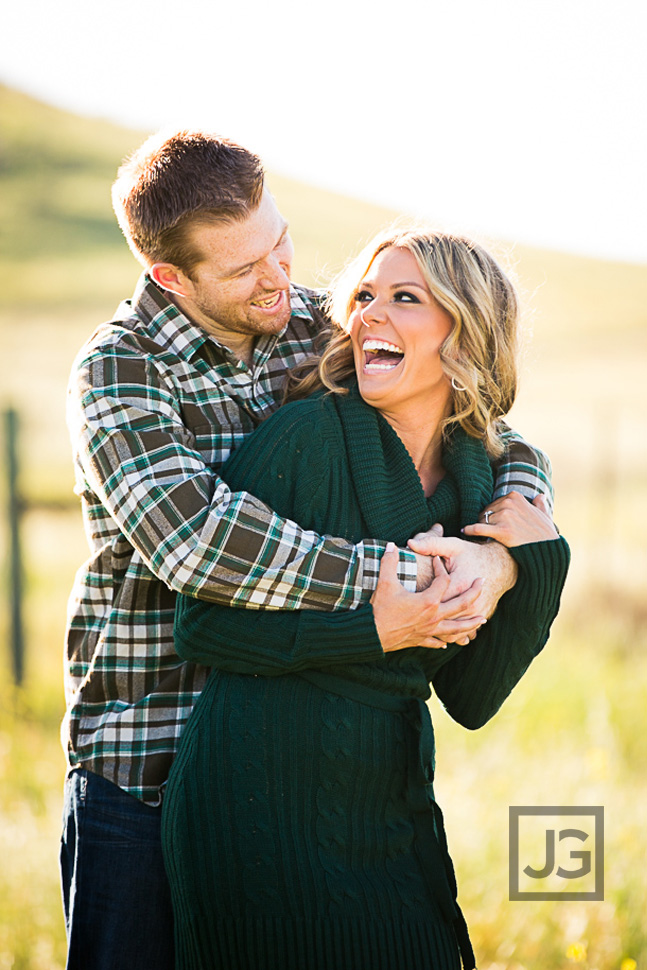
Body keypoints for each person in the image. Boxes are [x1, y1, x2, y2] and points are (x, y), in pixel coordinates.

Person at [61, 130, 554, 970]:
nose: (280, 278)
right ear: (170, 278)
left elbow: (478, 422)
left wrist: (504, 549)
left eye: (279, 241)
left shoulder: (310, 324)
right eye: (244, 267)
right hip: (145, 763)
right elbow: (197, 544)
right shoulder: (119, 372)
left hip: (295, 765)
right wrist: (404, 580)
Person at [162, 228, 570, 970]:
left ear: (466, 329)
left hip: (388, 808)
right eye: (364, 297)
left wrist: (535, 566)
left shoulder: (475, 478)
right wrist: (371, 633)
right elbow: (201, 631)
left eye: (404, 298)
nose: (368, 317)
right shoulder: (307, 436)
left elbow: (471, 696)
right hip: (254, 805)